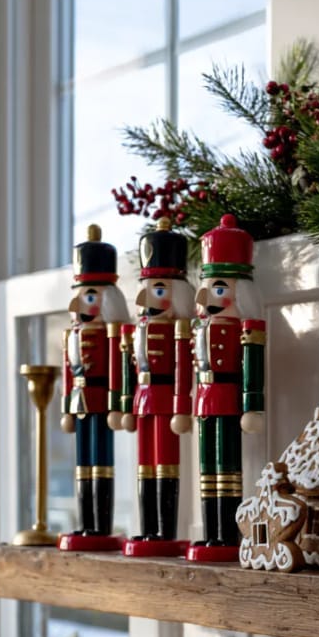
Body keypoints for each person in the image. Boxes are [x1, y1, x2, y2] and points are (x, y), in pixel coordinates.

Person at [186, 214, 265, 562]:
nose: (209, 296)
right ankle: (210, 532)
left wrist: (252, 405)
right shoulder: (199, 328)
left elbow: (252, 366)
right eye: (209, 287)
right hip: (205, 399)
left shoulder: (245, 328)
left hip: (230, 397)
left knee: (228, 468)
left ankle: (228, 534)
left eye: (219, 288)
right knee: (208, 469)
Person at [121, 218, 195, 556]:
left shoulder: (178, 330)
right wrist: (127, 405)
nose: (148, 298)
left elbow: (183, 371)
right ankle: (148, 528)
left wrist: (181, 407)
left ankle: (166, 530)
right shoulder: (138, 330)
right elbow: (130, 368)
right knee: (145, 465)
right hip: (144, 399)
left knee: (166, 464)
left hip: (165, 399)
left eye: (160, 290)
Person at [58, 224, 130, 552]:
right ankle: (85, 523)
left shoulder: (111, 335)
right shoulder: (72, 334)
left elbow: (117, 369)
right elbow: (68, 371)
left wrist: (117, 404)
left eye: (90, 296)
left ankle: (101, 524)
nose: (82, 305)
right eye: (81, 296)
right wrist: (66, 407)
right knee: (82, 465)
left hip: (101, 398)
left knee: (102, 463)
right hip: (80, 400)